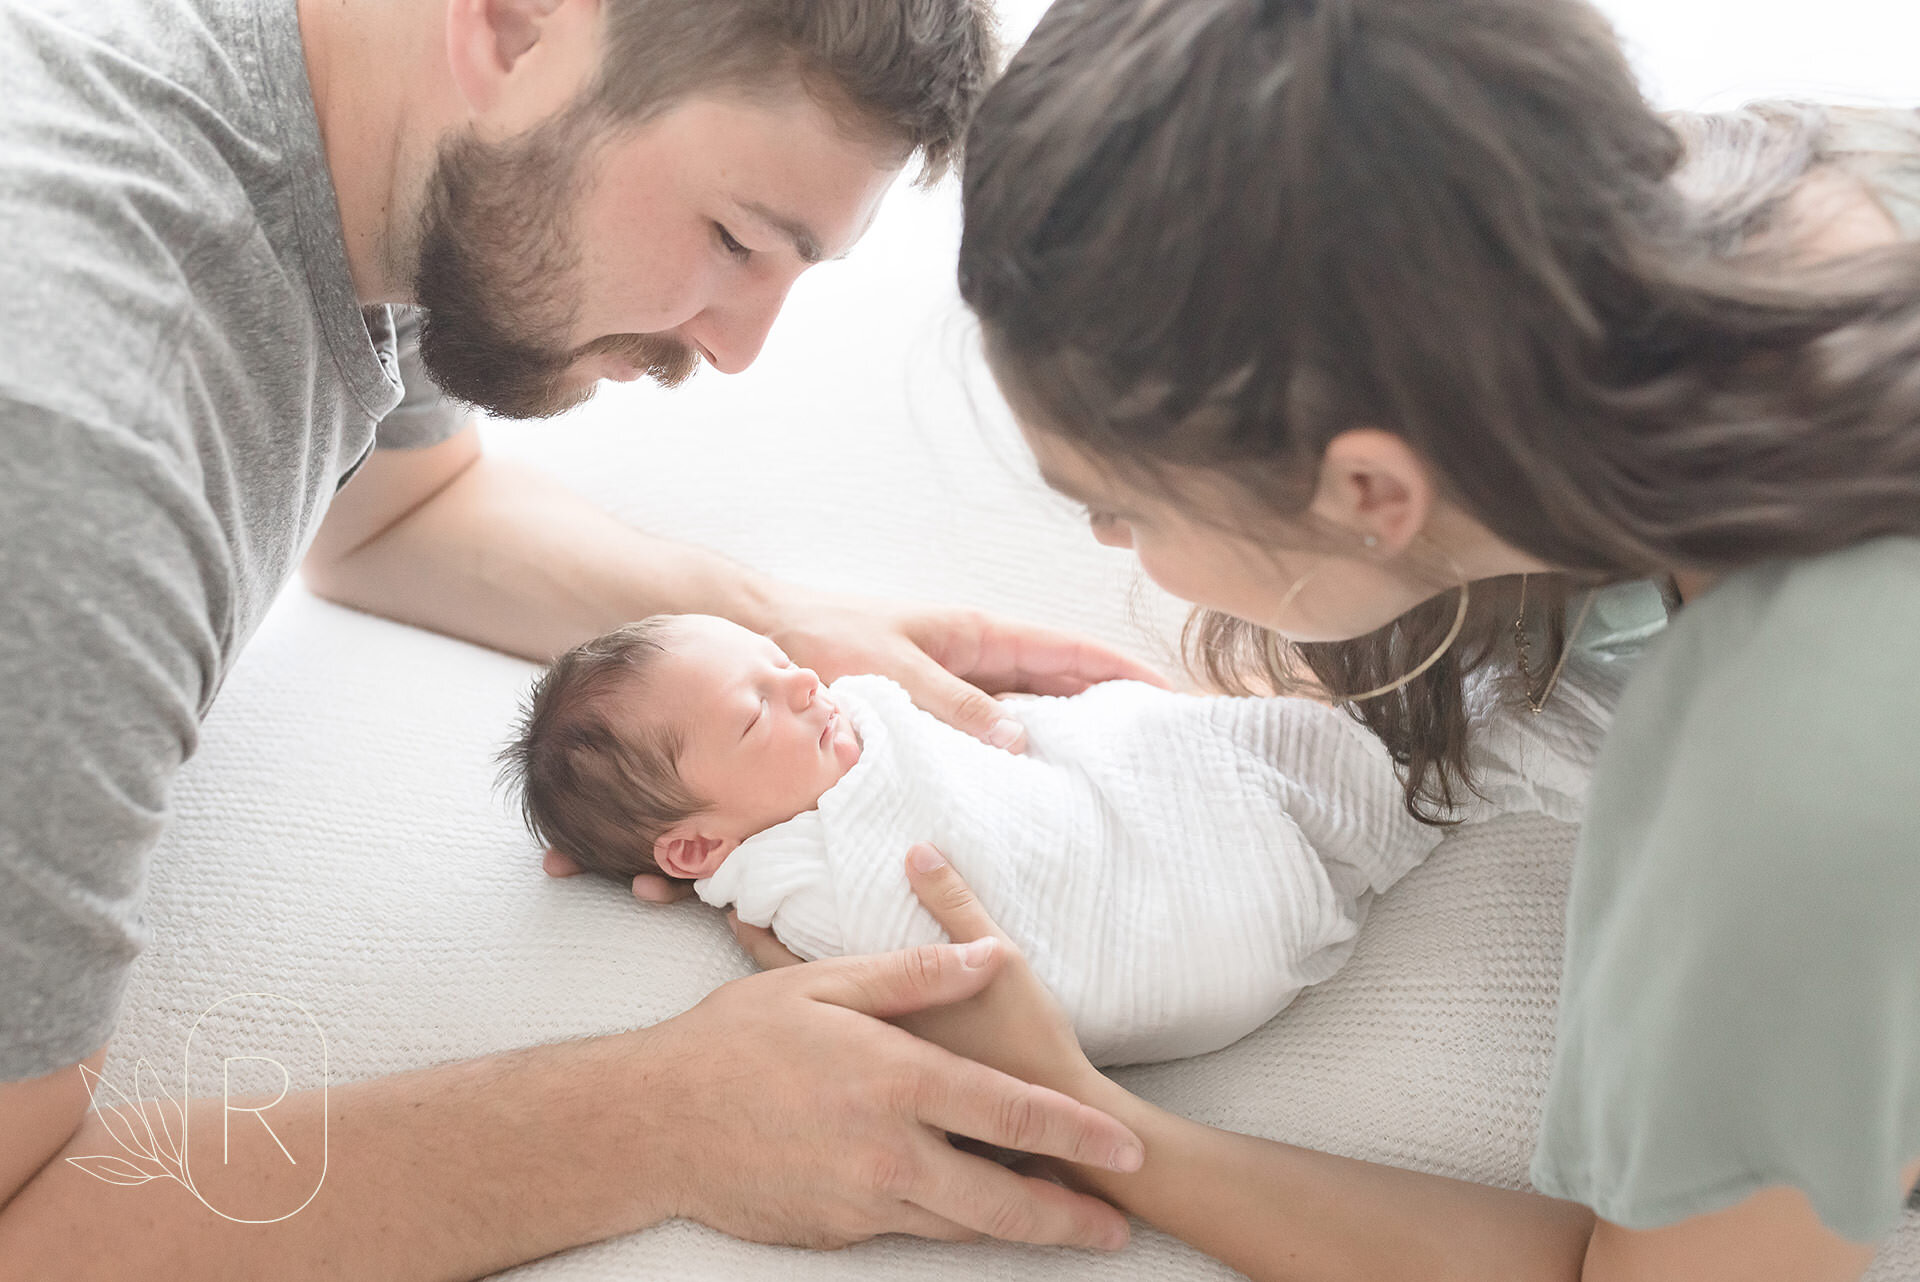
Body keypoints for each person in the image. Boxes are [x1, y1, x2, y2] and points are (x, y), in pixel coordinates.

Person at [733, 2, 1920, 1280]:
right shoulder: (1792, 185)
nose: (1104, 540)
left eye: (1122, 504)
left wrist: (1083, 1116)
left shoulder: (1790, 763)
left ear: (1368, 494)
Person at [0, 0, 1166, 1274]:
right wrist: (660, 1119)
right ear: (511, 24)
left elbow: (401, 513)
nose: (735, 348)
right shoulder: (78, 459)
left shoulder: (375, 157)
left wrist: (776, 632)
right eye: (732, 238)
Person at [503, 612, 1452, 1066]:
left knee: (1152, 733)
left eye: (782, 664)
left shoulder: (848, 731)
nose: (806, 687)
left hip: (1097, 811)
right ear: (696, 851)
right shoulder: (801, 884)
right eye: (757, 715)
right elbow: (915, 966)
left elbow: (1004, 770)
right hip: (1166, 931)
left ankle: (1376, 744)